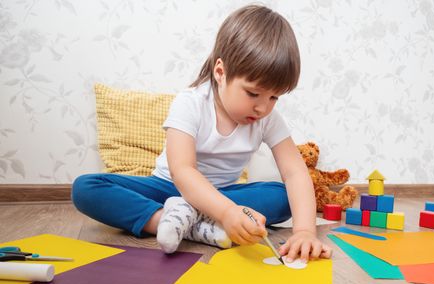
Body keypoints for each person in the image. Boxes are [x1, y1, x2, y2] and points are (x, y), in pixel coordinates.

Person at [72, 5, 332, 263]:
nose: (262, 107)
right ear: (221, 72)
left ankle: (192, 219)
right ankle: (177, 222)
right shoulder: (191, 103)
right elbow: (183, 170)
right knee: (86, 188)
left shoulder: (268, 119)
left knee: (283, 196)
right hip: (169, 189)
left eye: (274, 97)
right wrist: (227, 212)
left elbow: (295, 172)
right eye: (253, 93)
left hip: (225, 193)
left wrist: (305, 231)